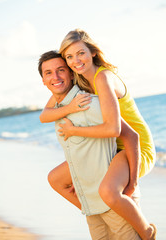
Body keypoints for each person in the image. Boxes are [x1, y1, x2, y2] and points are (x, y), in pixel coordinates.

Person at [40, 29, 157, 240]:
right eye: (70, 56)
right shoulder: (80, 82)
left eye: (81, 53)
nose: (76, 60)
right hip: (112, 146)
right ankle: (94, 208)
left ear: (92, 52)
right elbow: (45, 115)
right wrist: (70, 108)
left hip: (134, 147)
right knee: (56, 179)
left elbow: (117, 131)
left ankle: (147, 232)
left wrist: (73, 130)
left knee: (108, 192)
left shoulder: (102, 77)